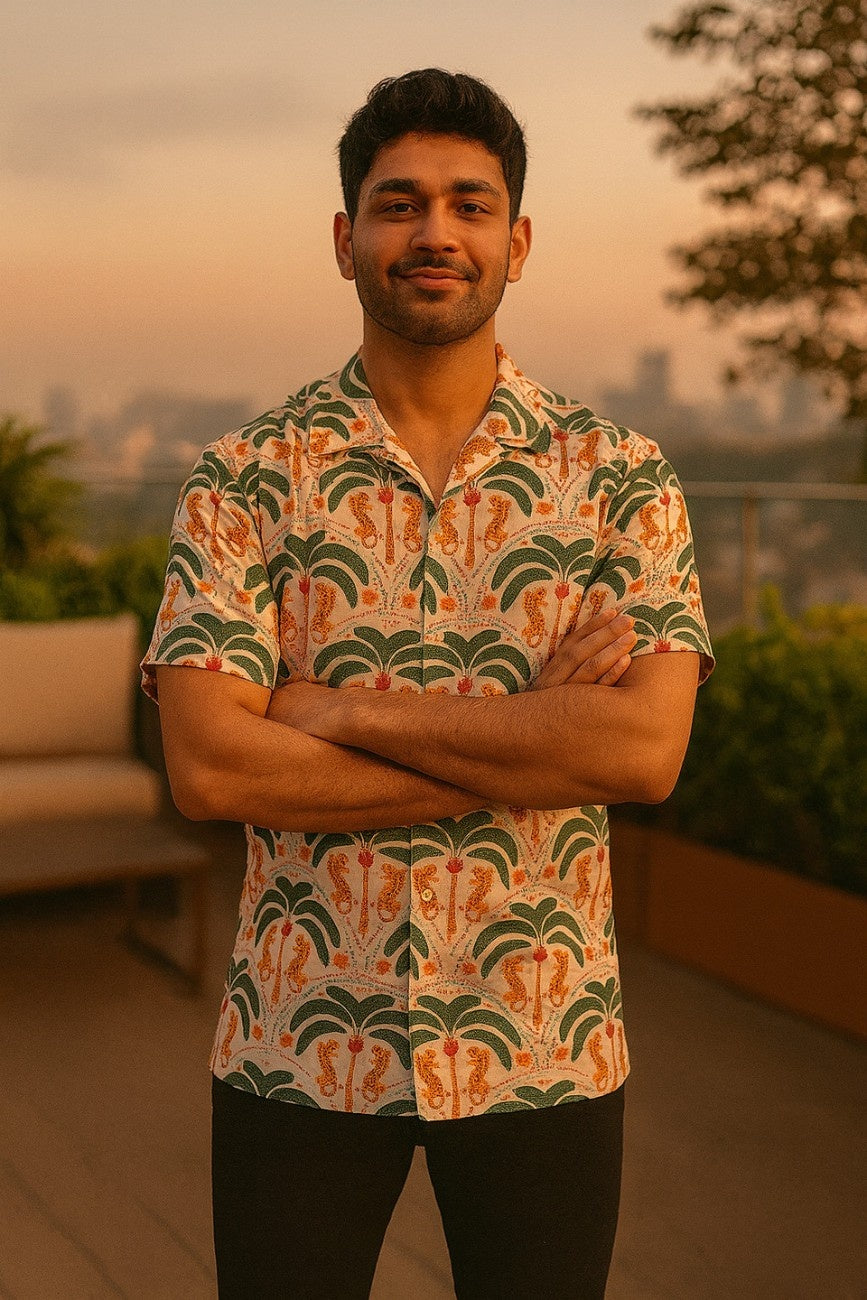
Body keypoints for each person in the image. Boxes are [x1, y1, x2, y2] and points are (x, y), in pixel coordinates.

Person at [142, 68, 714, 1300]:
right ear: (347, 241)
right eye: (399, 204)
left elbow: (639, 756)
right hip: (299, 1039)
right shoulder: (242, 478)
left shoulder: (620, 477)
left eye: (469, 203)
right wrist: (532, 742)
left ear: (518, 240)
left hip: (545, 1040)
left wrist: (335, 710)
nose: (434, 232)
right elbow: (210, 766)